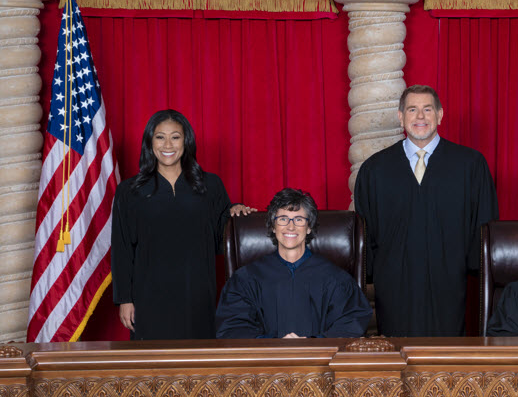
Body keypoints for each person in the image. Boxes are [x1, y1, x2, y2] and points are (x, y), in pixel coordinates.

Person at [354, 85, 498, 336]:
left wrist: (471, 267)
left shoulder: (470, 165)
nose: (420, 116)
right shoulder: (375, 170)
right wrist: (376, 273)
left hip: (450, 282)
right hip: (394, 284)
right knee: (397, 360)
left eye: (427, 109)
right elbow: (365, 231)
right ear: (401, 116)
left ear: (440, 115)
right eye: (412, 109)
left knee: (445, 361)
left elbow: (484, 225)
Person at [111, 109, 254, 340]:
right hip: (148, 297)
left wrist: (235, 212)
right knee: (152, 369)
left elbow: (221, 241)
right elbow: (122, 248)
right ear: (150, 141)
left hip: (197, 293)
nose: (168, 144)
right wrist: (124, 299)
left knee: (197, 367)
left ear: (186, 141)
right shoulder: (129, 191)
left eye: (175, 137)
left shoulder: (210, 185)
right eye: (160, 137)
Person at [215, 188, 372, 338]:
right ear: (273, 226)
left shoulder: (336, 279)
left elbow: (351, 324)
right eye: (283, 219)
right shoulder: (246, 279)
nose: (291, 226)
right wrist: (276, 346)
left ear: (309, 227)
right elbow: (233, 328)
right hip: (265, 363)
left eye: (299, 219)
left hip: (320, 362)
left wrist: (311, 343)